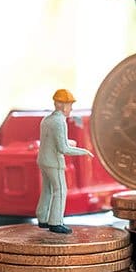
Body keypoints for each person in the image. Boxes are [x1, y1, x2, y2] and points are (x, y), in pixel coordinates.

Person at [37, 89, 93, 234]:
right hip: (54, 163)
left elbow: (51, 140)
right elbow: (63, 149)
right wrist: (83, 151)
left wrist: (69, 142)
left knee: (47, 190)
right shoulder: (60, 122)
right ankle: (55, 222)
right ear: (62, 105)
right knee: (60, 190)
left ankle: (42, 218)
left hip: (43, 160)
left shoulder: (47, 119)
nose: (71, 108)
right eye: (70, 105)